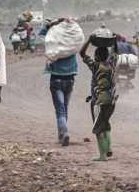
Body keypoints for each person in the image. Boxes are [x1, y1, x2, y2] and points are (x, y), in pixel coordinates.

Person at [44, 18, 81, 147]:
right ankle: (61, 133)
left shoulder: (54, 40)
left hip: (56, 79)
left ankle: (64, 133)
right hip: (70, 79)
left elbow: (43, 31)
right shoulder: (72, 41)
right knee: (65, 107)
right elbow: (78, 33)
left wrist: (54, 22)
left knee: (60, 110)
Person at [79, 38, 117, 161]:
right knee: (105, 124)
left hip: (99, 101)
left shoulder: (95, 66)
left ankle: (102, 155)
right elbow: (115, 51)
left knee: (98, 128)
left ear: (96, 56)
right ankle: (109, 148)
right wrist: (114, 41)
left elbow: (82, 53)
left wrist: (89, 40)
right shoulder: (112, 63)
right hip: (111, 100)